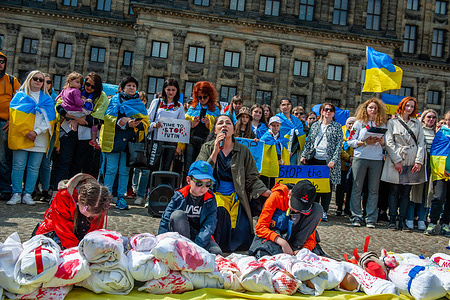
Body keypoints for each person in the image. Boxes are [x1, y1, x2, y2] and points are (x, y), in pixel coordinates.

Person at [197, 115, 272, 252]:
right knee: (218, 215)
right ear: (215, 130)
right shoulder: (207, 148)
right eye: (220, 123)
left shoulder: (243, 150)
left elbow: (252, 178)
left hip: (237, 196)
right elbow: (200, 174)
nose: (224, 125)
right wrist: (215, 152)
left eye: (228, 123)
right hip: (214, 194)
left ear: (233, 129)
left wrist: (266, 192)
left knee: (242, 235)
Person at [6, 70, 56, 205]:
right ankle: (16, 193)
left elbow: (50, 119)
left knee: (34, 168)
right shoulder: (19, 96)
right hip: (22, 135)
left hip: (39, 138)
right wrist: (26, 132)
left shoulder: (47, 99)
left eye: (41, 80)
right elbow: (15, 118)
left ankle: (28, 194)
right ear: (29, 80)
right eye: (36, 79)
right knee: (18, 166)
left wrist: (36, 131)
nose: (39, 82)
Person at [53, 72, 109, 190]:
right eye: (87, 84)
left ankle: (73, 191)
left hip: (86, 136)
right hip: (68, 130)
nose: (89, 88)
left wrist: (78, 120)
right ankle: (58, 191)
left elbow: (97, 119)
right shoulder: (72, 90)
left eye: (93, 86)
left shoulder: (102, 97)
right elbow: (59, 107)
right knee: (64, 162)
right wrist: (73, 117)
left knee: (78, 164)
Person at [99, 76, 149, 210]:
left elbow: (145, 122)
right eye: (129, 85)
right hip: (114, 140)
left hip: (129, 143)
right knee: (110, 170)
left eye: (134, 86)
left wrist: (135, 125)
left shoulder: (139, 104)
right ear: (122, 88)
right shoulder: (113, 101)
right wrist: (123, 122)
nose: (131, 88)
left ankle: (121, 197)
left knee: (124, 171)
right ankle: (107, 197)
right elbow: (107, 118)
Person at [381, 97, 426, 230]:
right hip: (397, 158)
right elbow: (389, 142)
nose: (410, 108)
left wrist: (418, 161)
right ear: (402, 106)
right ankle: (392, 219)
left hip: (411, 159)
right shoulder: (392, 122)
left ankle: (403, 220)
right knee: (394, 191)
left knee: (406, 192)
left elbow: (421, 143)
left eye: (412, 106)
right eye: (407, 106)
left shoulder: (417, 124)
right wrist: (397, 161)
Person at [158, 160, 222, 255]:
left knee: (217, 253)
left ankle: (189, 252)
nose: (203, 188)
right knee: (177, 215)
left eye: (208, 184)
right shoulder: (179, 196)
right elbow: (166, 218)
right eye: (199, 183)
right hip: (180, 233)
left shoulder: (210, 198)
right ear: (188, 180)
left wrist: (197, 245)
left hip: (200, 236)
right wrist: (160, 242)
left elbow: (209, 225)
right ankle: (185, 250)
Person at [249, 180, 323, 258]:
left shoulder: (313, 211)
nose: (296, 210)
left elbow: (311, 237)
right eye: (295, 205)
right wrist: (282, 242)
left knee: (318, 210)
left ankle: (296, 248)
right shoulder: (277, 196)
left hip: (296, 242)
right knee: (265, 253)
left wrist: (305, 249)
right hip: (275, 237)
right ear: (289, 194)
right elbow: (260, 227)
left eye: (302, 209)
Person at [34, 173, 110, 249]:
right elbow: (62, 227)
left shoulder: (100, 201)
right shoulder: (64, 196)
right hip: (58, 232)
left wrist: (90, 245)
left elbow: (95, 229)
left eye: (92, 215)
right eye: (84, 211)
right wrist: (75, 250)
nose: (87, 216)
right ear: (79, 198)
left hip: (80, 232)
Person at [346, 98, 388, 228]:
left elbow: (386, 144)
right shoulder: (359, 123)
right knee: (357, 188)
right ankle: (356, 215)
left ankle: (371, 217)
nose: (373, 110)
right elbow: (350, 141)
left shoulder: (383, 125)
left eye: (375, 108)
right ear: (366, 109)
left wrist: (381, 141)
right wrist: (365, 142)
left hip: (376, 158)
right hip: (361, 157)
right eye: (371, 108)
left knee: (373, 189)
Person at [300, 103, 343, 222]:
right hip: (314, 158)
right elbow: (309, 141)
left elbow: (339, 146)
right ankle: (312, 209)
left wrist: (333, 160)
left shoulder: (337, 126)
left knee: (326, 188)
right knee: (313, 186)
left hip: (328, 161)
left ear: (333, 113)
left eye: (331, 110)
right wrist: (304, 155)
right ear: (321, 112)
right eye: (326, 109)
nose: (328, 112)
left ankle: (324, 211)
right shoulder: (314, 125)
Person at [183, 81, 220, 182]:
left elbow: (218, 128)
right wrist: (192, 125)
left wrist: (209, 125)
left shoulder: (215, 110)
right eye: (200, 97)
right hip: (191, 140)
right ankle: (186, 188)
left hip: (206, 143)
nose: (202, 99)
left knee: (202, 168)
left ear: (210, 96)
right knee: (188, 166)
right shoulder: (192, 108)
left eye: (205, 97)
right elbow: (184, 127)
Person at [408, 109, 437, 231]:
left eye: (434, 117)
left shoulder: (437, 133)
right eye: (429, 116)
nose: (431, 119)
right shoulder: (419, 131)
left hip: (433, 165)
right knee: (415, 192)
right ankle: (409, 218)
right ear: (423, 118)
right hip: (419, 163)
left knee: (427, 193)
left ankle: (422, 219)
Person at [148, 78, 185, 171]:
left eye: (173, 90)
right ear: (164, 89)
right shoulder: (156, 102)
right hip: (156, 138)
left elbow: (181, 125)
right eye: (168, 89)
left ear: (177, 91)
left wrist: (179, 146)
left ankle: (162, 185)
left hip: (171, 140)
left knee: (166, 166)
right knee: (153, 165)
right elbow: (147, 120)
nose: (171, 92)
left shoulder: (179, 106)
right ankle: (152, 185)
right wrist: (154, 125)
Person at [425, 110, 450, 236]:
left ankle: (445, 223)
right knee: (438, 197)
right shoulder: (441, 133)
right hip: (441, 171)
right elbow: (435, 152)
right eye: (449, 120)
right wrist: (440, 169)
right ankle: (433, 222)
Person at [0, 51, 20, 201]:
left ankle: (5, 188)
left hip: (3, 123)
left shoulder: (12, 80)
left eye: (2, 61)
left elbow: (19, 104)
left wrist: (10, 121)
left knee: (3, 158)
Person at [132, 91, 151, 205]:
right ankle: (134, 188)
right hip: (133, 141)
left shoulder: (147, 112)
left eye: (143, 100)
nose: (141, 102)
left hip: (146, 142)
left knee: (144, 170)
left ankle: (140, 193)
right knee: (135, 168)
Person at [335, 116, 355, 217]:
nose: (351, 126)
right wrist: (349, 158)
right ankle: (339, 207)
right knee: (340, 187)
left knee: (351, 188)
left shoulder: (357, 132)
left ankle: (348, 208)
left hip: (354, 165)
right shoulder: (340, 131)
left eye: (353, 123)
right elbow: (338, 148)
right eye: (349, 123)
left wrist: (354, 158)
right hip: (342, 164)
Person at [276, 97, 305, 165]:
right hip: (280, 151)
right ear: (280, 106)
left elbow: (300, 137)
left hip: (294, 152)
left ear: (291, 106)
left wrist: (292, 151)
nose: (286, 107)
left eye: (288, 104)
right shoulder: (276, 119)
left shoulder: (297, 121)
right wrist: (285, 151)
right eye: (283, 105)